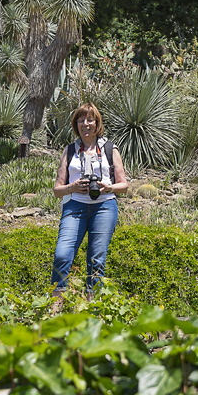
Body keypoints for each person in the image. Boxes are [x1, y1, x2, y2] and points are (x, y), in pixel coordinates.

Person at [50, 102, 128, 309]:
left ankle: (91, 309)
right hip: (74, 207)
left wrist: (107, 187)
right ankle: (55, 309)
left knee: (96, 261)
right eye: (81, 120)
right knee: (62, 254)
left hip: (104, 207)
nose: (86, 124)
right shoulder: (70, 150)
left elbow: (124, 185)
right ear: (76, 124)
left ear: (97, 123)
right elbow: (57, 190)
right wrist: (73, 187)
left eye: (90, 120)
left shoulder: (111, 149)